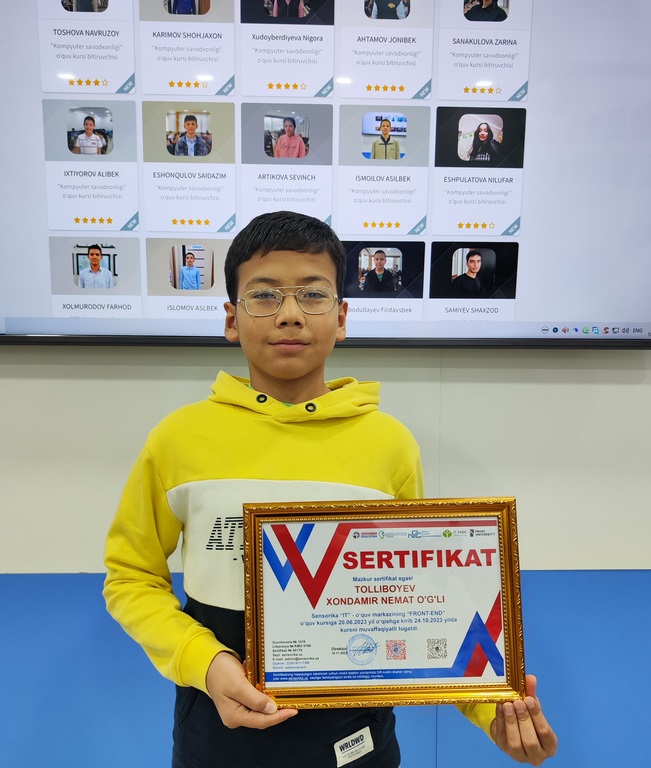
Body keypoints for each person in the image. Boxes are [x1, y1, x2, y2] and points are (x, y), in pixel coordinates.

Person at [103, 211, 557, 768]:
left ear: (341, 318)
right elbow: (131, 578)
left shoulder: (389, 445)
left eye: (313, 295)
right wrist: (205, 660)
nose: (290, 314)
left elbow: (424, 597)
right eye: (263, 295)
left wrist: (492, 709)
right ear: (231, 319)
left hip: (357, 740)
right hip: (216, 735)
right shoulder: (178, 439)